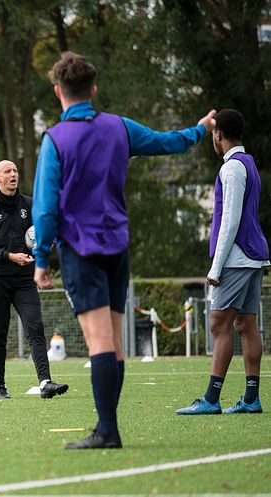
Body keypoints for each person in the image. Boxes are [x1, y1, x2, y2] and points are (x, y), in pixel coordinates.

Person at [33, 52, 216, 449]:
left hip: (80, 249)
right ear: (93, 90)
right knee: (114, 342)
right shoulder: (118, 126)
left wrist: (41, 259)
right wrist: (200, 130)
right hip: (117, 245)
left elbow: (45, 208)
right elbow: (167, 143)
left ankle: (107, 431)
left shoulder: (55, 140)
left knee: (100, 342)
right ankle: (107, 426)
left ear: (57, 91)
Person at [176, 109, 268, 415]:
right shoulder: (249, 162)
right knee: (246, 324)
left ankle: (211, 399)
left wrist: (215, 268)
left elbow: (230, 220)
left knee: (219, 324)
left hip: (237, 258)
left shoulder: (230, 169)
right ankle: (251, 399)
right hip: (254, 256)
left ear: (217, 135)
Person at [0, 160, 69, 400]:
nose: (13, 174)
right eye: (7, 171)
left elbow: (44, 231)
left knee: (35, 328)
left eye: (15, 170)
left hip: (25, 279)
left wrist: (48, 243)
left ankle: (45, 382)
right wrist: (9, 256)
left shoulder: (30, 205)